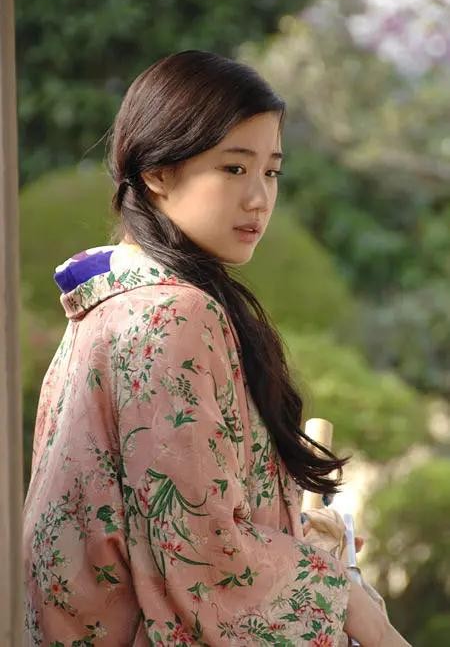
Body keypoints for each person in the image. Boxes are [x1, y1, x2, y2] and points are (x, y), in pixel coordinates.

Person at [23, 50, 410, 646]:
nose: (259, 198)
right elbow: (204, 559)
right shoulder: (173, 316)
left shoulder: (109, 304)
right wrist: (344, 596)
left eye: (271, 172)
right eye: (233, 168)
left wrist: (296, 535)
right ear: (158, 172)